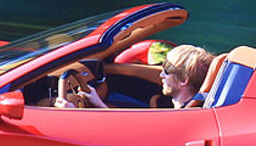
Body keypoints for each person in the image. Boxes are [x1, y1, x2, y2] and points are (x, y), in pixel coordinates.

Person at [55, 45, 213, 109]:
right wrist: (98, 102)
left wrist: (73, 112)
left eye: (166, 70)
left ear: (184, 80)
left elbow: (125, 135)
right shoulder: (186, 109)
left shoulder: (180, 118)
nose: (160, 74)